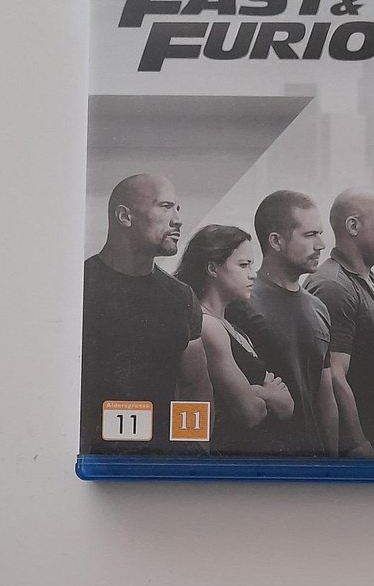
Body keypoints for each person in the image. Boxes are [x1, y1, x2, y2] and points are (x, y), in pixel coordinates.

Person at [81, 174, 212, 454]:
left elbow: (195, 384)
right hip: (90, 464)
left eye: (178, 209)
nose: (178, 220)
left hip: (161, 464)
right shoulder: (77, 288)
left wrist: (197, 452)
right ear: (125, 216)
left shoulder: (181, 297)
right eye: (165, 206)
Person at [227, 190, 338, 456]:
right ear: (276, 241)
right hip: (263, 461)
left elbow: (325, 398)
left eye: (320, 234)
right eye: (310, 235)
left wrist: (332, 463)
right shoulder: (240, 303)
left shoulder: (319, 308)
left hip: (313, 461)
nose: (321, 244)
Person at [306, 188, 374, 459]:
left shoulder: (368, 278)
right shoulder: (333, 286)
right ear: (352, 226)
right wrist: (358, 443)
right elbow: (333, 376)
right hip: (366, 448)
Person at [175, 225, 293, 455]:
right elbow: (251, 413)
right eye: (243, 265)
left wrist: (255, 392)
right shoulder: (208, 326)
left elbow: (287, 406)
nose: (253, 274)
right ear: (212, 268)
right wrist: (268, 393)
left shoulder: (231, 325)